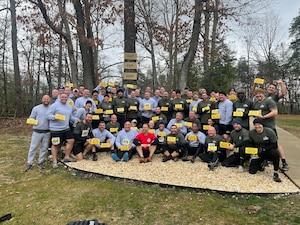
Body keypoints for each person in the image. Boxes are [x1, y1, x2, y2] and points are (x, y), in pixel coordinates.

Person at [252, 88, 289, 171]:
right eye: (256, 94)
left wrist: (264, 117)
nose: (258, 95)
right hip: (260, 128)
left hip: (269, 127)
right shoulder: (255, 104)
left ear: (263, 94)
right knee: (262, 144)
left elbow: (275, 112)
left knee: (276, 144)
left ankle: (284, 162)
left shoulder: (269, 101)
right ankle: (264, 161)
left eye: (260, 93)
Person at [46, 93, 77, 168]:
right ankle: (54, 161)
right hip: (56, 129)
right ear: (60, 97)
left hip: (65, 128)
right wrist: (55, 117)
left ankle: (66, 157)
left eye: (65, 97)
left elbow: (70, 117)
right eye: (62, 97)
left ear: (67, 98)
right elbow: (47, 115)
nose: (64, 98)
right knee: (56, 145)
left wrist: (75, 119)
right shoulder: (54, 105)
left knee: (71, 140)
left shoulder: (68, 106)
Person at [248, 118, 282, 182]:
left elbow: (275, 145)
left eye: (259, 124)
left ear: (262, 125)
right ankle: (262, 163)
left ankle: (276, 172)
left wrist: (264, 149)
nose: (257, 126)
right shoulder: (251, 133)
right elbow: (250, 143)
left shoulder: (269, 132)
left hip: (268, 151)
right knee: (252, 171)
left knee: (275, 153)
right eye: (255, 125)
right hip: (258, 153)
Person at [24, 95, 51, 172]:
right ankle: (30, 163)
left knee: (44, 148)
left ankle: (40, 162)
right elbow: (31, 117)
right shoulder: (36, 108)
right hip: (37, 131)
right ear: (42, 99)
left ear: (49, 100)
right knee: (33, 148)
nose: (46, 100)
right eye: (45, 99)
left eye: (47, 99)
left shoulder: (52, 108)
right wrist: (31, 122)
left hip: (47, 132)